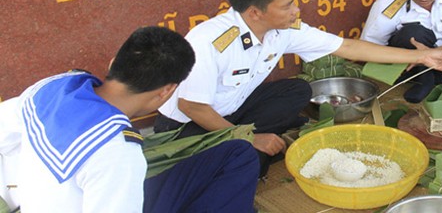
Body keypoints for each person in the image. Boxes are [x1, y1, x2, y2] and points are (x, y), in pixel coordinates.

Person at [154, 0, 442, 177]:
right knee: (248, 163)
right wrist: (247, 138)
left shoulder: (285, 30)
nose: (296, 11)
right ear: (255, 12)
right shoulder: (209, 41)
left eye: (294, 2)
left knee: (297, 90)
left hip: (233, 109)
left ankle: (254, 144)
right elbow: (192, 106)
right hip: (189, 125)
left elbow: (349, 47)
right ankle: (251, 146)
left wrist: (421, 57)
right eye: (287, 6)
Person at [12, 26, 259, 213]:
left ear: (113, 63)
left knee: (233, 154)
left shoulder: (50, 86)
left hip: (30, 201)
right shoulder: (117, 151)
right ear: (166, 91)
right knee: (239, 155)